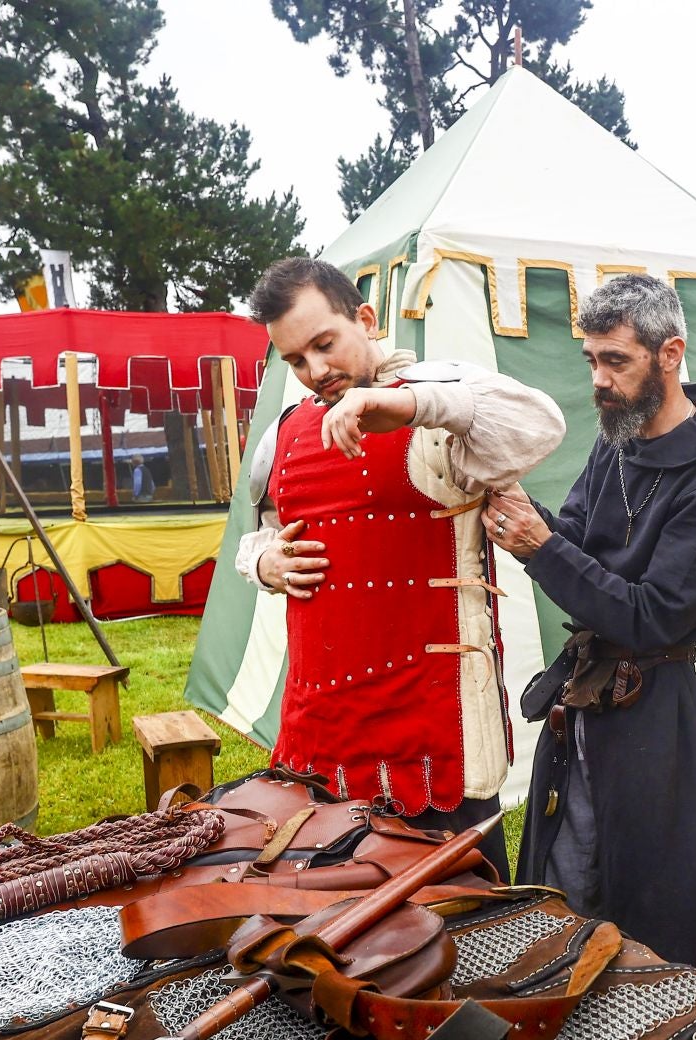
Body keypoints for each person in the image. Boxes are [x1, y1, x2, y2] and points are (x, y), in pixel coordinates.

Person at [235, 257, 565, 865]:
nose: (315, 371)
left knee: (467, 932)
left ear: (365, 318)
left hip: (429, 732)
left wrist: (412, 404)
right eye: (295, 361)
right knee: (330, 932)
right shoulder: (285, 430)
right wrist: (265, 563)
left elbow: (540, 424)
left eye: (324, 344)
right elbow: (257, 534)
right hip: (320, 724)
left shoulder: (439, 404)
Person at [487, 275, 696, 984]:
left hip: (654, 717)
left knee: (655, 903)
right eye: (591, 361)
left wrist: (540, 548)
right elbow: (576, 528)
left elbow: (653, 614)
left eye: (616, 360)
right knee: (568, 871)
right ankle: (572, 1019)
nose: (599, 380)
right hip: (588, 701)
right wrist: (525, 511)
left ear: (670, 354)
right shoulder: (620, 437)